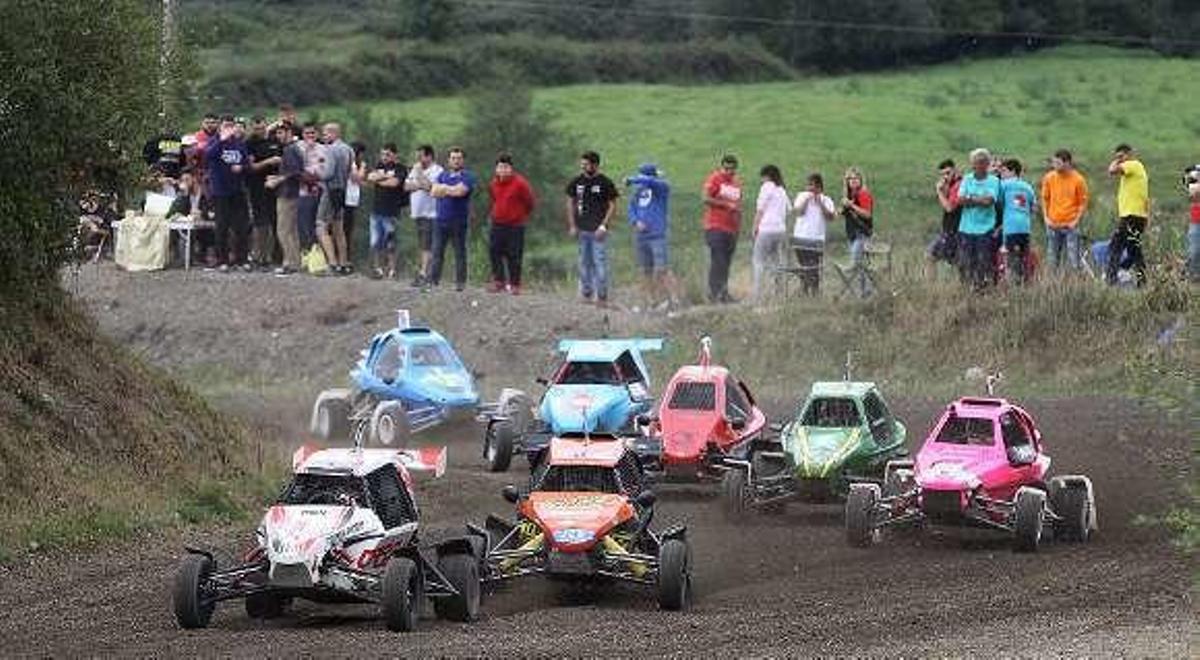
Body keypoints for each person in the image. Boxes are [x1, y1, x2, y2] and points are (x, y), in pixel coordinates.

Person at [566, 151, 619, 306]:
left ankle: (602, 296)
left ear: (595, 165)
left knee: (600, 263)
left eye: (587, 164)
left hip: (598, 231)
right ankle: (586, 294)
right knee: (583, 263)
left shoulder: (605, 182)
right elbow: (569, 201)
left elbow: (613, 204)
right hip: (582, 229)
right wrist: (572, 225)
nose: (584, 167)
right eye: (582, 164)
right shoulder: (577, 182)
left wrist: (604, 225)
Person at [625, 162, 676, 308]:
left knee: (662, 269)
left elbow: (650, 181)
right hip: (641, 236)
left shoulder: (662, 187)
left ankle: (673, 300)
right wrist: (636, 222)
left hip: (657, 235)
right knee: (645, 270)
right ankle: (651, 301)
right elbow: (631, 208)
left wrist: (632, 179)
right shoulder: (638, 191)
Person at [204, 115, 251, 272]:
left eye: (231, 125)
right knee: (222, 226)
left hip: (237, 190)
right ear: (220, 126)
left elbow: (247, 164)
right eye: (226, 125)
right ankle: (222, 260)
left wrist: (241, 168)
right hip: (220, 190)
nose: (229, 128)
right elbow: (208, 156)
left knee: (241, 226)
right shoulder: (215, 141)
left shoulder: (239, 143)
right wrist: (221, 140)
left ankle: (241, 259)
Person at [488, 152, 536, 294]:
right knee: (494, 251)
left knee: (514, 255)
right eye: (500, 167)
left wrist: (520, 215)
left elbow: (530, 202)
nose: (503, 170)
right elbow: (493, 198)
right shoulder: (494, 183)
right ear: (496, 169)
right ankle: (499, 281)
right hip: (497, 223)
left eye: (506, 167)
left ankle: (515, 284)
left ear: (511, 168)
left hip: (515, 225)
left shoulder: (520, 183)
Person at [429, 146, 476, 291]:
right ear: (449, 160)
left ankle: (460, 283)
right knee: (437, 252)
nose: (456, 161)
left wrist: (444, 189)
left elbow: (460, 192)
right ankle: (433, 281)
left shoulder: (468, 176)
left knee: (460, 253)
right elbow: (433, 192)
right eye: (453, 158)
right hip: (440, 220)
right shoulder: (442, 175)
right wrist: (450, 188)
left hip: (458, 221)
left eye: (459, 158)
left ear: (463, 160)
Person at [956, 148, 1002, 291]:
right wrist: (978, 199)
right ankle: (966, 288)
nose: (977, 166)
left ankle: (983, 289)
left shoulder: (994, 181)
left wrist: (970, 198)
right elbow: (960, 200)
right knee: (965, 262)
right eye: (975, 163)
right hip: (966, 227)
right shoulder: (967, 178)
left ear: (987, 164)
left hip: (985, 228)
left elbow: (989, 201)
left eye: (981, 162)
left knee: (984, 261)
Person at [1106, 143, 1150, 286]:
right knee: (1134, 250)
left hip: (1131, 216)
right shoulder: (1135, 170)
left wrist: (1116, 161)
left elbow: (1111, 170)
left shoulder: (1133, 165)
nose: (1120, 159)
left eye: (1121, 156)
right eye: (1118, 157)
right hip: (1138, 216)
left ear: (1130, 154)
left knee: (1115, 246)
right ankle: (1142, 281)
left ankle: (1111, 280)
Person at [1040, 149, 1089, 272]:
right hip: (1053, 224)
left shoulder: (1078, 179)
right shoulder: (1049, 178)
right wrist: (1046, 218)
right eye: (1054, 163)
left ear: (1067, 163)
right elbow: (1045, 199)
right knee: (1052, 259)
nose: (1054, 166)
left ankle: (1076, 284)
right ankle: (1052, 286)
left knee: (1074, 259)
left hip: (1071, 225)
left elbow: (1082, 203)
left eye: (1058, 163)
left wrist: (1075, 221)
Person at [702, 154, 743, 303]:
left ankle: (723, 293)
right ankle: (714, 294)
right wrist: (725, 205)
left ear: (735, 169)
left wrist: (738, 227)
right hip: (715, 226)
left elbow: (738, 206)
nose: (728, 171)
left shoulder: (737, 184)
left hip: (731, 229)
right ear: (722, 167)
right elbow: (706, 198)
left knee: (726, 262)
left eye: (731, 169)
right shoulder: (715, 178)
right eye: (726, 168)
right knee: (718, 260)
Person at [365, 143, 408, 279]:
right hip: (376, 210)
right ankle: (378, 269)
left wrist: (380, 179)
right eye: (382, 154)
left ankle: (392, 270)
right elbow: (370, 177)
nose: (384, 157)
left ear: (395, 155)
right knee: (375, 242)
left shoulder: (400, 168)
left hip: (392, 211)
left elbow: (394, 183)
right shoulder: (379, 166)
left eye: (388, 154)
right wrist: (383, 178)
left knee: (391, 243)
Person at [316, 122, 354, 275]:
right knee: (338, 227)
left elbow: (328, 173)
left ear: (333, 133)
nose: (324, 137)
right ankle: (344, 262)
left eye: (325, 134)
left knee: (321, 226)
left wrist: (319, 172)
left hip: (330, 190)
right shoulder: (348, 149)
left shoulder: (331, 150)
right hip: (343, 190)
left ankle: (332, 263)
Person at [246, 115, 283, 270]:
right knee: (260, 222)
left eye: (261, 128)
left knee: (276, 221)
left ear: (266, 126)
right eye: (256, 129)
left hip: (275, 186)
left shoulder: (275, 141)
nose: (259, 131)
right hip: (256, 186)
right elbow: (251, 166)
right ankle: (258, 256)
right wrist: (268, 162)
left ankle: (275, 256)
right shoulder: (250, 143)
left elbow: (285, 161)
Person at [791, 172, 837, 296]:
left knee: (814, 267)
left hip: (816, 239)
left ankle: (815, 291)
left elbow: (831, 217)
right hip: (800, 238)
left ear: (820, 188)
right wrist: (807, 200)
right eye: (809, 185)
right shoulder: (801, 196)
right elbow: (798, 212)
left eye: (814, 186)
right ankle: (804, 290)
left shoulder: (826, 199)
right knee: (803, 266)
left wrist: (820, 203)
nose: (811, 188)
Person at [404, 144, 442, 287]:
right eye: (417, 156)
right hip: (418, 212)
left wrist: (419, 177)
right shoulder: (415, 169)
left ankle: (425, 273)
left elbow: (430, 188)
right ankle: (424, 272)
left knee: (428, 245)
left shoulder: (437, 170)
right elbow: (406, 186)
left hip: (431, 213)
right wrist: (420, 183)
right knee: (423, 244)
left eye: (420, 156)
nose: (418, 159)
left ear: (429, 156)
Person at [751, 164, 789, 303]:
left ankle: (757, 296)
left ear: (766, 176)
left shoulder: (766, 187)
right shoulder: (782, 190)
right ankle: (778, 294)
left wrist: (755, 227)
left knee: (758, 261)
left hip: (766, 229)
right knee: (776, 263)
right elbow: (788, 210)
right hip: (780, 230)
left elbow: (760, 209)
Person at [271, 124, 304, 275]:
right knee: (292, 230)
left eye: (281, 132)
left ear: (289, 133)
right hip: (293, 192)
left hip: (287, 193)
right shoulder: (295, 148)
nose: (278, 136)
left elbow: (294, 172)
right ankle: (296, 262)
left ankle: (290, 263)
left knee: (283, 230)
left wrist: (278, 181)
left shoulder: (290, 149)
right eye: (277, 133)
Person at [998, 159, 1036, 285]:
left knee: (1011, 258)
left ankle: (1013, 287)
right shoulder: (1027, 186)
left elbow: (997, 201)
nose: (1001, 174)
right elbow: (1034, 208)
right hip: (1025, 227)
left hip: (1010, 227)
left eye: (1003, 171)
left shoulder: (1004, 185)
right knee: (1024, 258)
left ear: (1013, 171)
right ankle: (1025, 284)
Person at [925, 159, 962, 279]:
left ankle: (931, 288)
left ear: (955, 170)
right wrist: (944, 189)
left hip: (954, 230)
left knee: (930, 256)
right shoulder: (951, 184)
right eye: (942, 174)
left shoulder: (959, 185)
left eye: (948, 173)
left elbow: (949, 207)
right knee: (955, 262)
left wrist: (939, 192)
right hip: (949, 229)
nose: (945, 177)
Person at [296, 123, 328, 255]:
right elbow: (296, 168)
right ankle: (307, 253)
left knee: (318, 223)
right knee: (304, 223)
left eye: (312, 133)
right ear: (302, 135)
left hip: (320, 189)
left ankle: (319, 253)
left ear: (317, 134)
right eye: (307, 133)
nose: (310, 136)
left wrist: (317, 176)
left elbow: (326, 167)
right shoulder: (297, 148)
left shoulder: (324, 149)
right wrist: (307, 150)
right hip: (303, 191)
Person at [840, 166, 874, 265]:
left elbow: (867, 214)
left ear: (860, 180)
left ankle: (865, 281)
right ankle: (865, 281)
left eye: (856, 178)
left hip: (861, 234)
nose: (853, 181)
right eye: (850, 178)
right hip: (852, 234)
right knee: (861, 267)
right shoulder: (850, 196)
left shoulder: (863, 194)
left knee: (856, 265)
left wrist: (851, 205)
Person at [343, 142, 367, 265]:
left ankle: (346, 257)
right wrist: (362, 167)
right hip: (346, 199)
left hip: (352, 199)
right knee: (345, 229)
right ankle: (344, 258)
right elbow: (356, 178)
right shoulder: (351, 163)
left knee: (348, 229)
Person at [1188, 171, 1200, 282]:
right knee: (1194, 251)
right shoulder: (1194, 183)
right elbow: (1193, 196)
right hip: (1196, 221)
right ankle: (1194, 276)